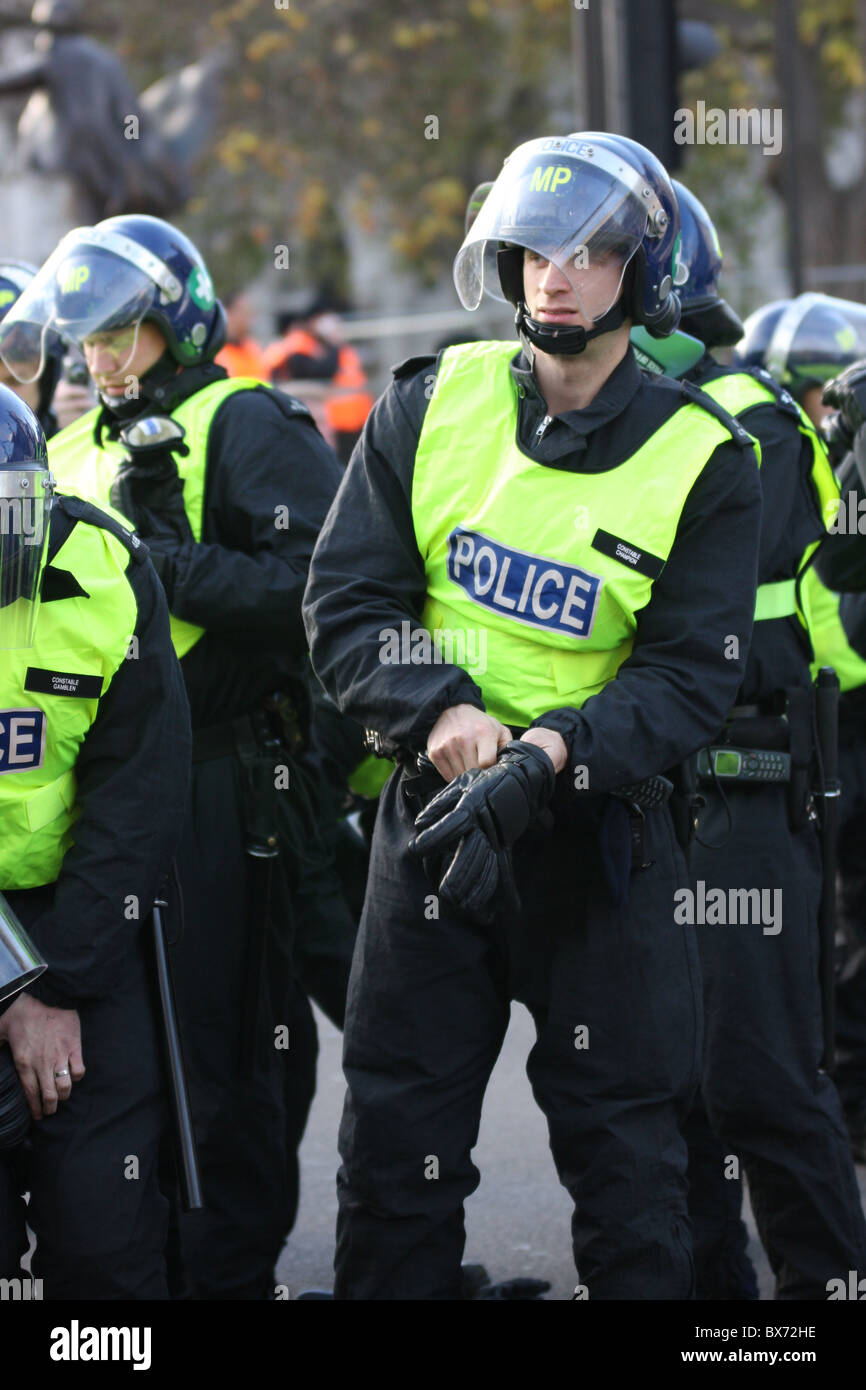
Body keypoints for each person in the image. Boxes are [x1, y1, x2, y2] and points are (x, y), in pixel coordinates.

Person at [303, 131, 764, 1300]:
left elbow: (686, 674)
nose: (554, 274)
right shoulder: (430, 402)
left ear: (640, 271)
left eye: (590, 251)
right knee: (393, 1152)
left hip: (597, 845)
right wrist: (439, 715)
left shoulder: (703, 455)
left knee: (627, 1167)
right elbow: (345, 603)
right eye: (531, 251)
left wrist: (555, 749)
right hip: (438, 824)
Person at [0, 213, 344, 1299]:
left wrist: (170, 563)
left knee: (227, 1052)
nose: (100, 359)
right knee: (137, 1071)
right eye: (87, 339)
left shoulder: (240, 420)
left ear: (175, 325)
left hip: (220, 784)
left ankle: (228, 1276)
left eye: (123, 336)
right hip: (93, 788)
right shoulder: (53, 447)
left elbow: (317, 594)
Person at [648, 187, 866, 1299]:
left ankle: (826, 1292)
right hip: (651, 790)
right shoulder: (632, 410)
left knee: (759, 1082)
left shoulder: (746, 421)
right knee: (665, 1090)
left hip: (740, 787)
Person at [0, 383, 190, 1298]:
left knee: (104, 1243)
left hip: (85, 933)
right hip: (14, 951)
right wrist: (16, 988)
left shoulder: (110, 565)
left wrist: (59, 981)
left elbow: (139, 794)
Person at [735, 291, 866, 1169]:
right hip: (794, 733)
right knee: (815, 934)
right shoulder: (770, 471)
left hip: (838, 723)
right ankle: (835, 1102)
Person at [265, 292, 374, 465]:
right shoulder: (300, 346)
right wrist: (335, 343)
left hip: (354, 420)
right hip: (333, 423)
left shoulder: (327, 347)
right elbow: (319, 372)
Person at [215, 290, 267, 380]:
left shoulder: (252, 348)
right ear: (227, 312)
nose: (248, 318)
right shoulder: (215, 352)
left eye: (249, 312)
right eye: (243, 311)